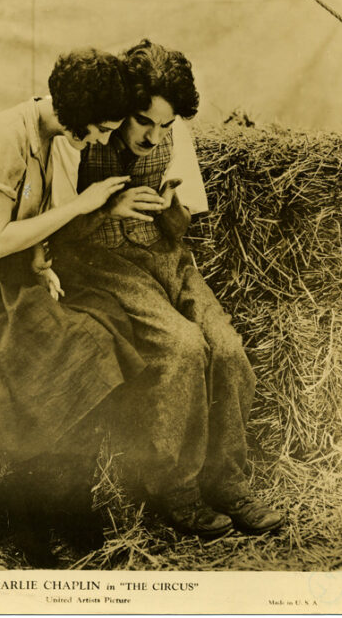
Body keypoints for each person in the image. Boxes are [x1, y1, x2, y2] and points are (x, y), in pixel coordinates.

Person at [0, 49, 150, 559]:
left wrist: (43, 263)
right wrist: (83, 206)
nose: (104, 139)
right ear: (73, 113)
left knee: (106, 324)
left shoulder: (60, 136)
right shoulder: (7, 135)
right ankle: (23, 500)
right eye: (101, 128)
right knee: (70, 349)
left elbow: (31, 226)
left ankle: (65, 495)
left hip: (14, 267)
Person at [50, 39, 285, 539]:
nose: (154, 137)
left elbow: (183, 225)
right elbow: (50, 231)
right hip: (102, 263)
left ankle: (226, 483)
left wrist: (169, 206)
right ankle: (174, 488)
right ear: (121, 110)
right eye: (143, 121)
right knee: (181, 349)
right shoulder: (79, 138)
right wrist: (105, 210)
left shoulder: (176, 139)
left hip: (165, 257)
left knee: (227, 348)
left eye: (166, 125)